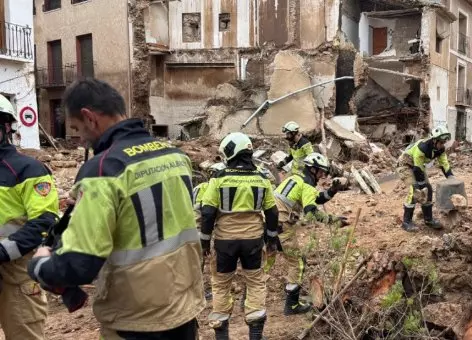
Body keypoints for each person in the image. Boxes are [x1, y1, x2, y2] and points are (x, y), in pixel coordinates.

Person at [27, 79, 204, 340]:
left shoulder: (102, 169)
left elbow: (80, 264)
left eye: (77, 128)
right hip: (184, 307)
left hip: (135, 319)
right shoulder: (174, 156)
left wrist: (40, 264)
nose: (80, 140)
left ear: (90, 118)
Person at [200, 132, 280, 340]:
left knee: (220, 284)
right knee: (255, 283)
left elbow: (207, 212)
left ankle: (221, 335)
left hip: (225, 242)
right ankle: (254, 334)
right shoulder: (262, 177)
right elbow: (272, 212)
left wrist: (204, 241)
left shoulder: (219, 178)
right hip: (253, 240)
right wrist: (271, 239)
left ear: (230, 152)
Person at [0, 96, 58, 339]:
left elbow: (45, 221)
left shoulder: (28, 170)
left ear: (5, 127)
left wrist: (3, 251)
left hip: (16, 275)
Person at [270, 152, 349, 315]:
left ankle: (247, 298)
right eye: (321, 172)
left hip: (269, 221)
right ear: (313, 169)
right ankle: (291, 306)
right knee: (297, 262)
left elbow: (316, 198)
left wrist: (332, 190)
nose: (322, 176)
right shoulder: (306, 184)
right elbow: (311, 212)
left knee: (267, 260)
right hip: (282, 224)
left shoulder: (296, 178)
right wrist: (333, 220)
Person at [396, 125, 454, 232]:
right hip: (405, 165)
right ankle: (406, 222)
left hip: (418, 166)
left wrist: (451, 177)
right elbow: (417, 169)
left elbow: (444, 164)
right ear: (434, 140)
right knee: (415, 190)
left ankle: (428, 220)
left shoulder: (440, 150)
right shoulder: (422, 147)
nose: (442, 145)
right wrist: (421, 186)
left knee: (428, 189)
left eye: (443, 143)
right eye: (441, 142)